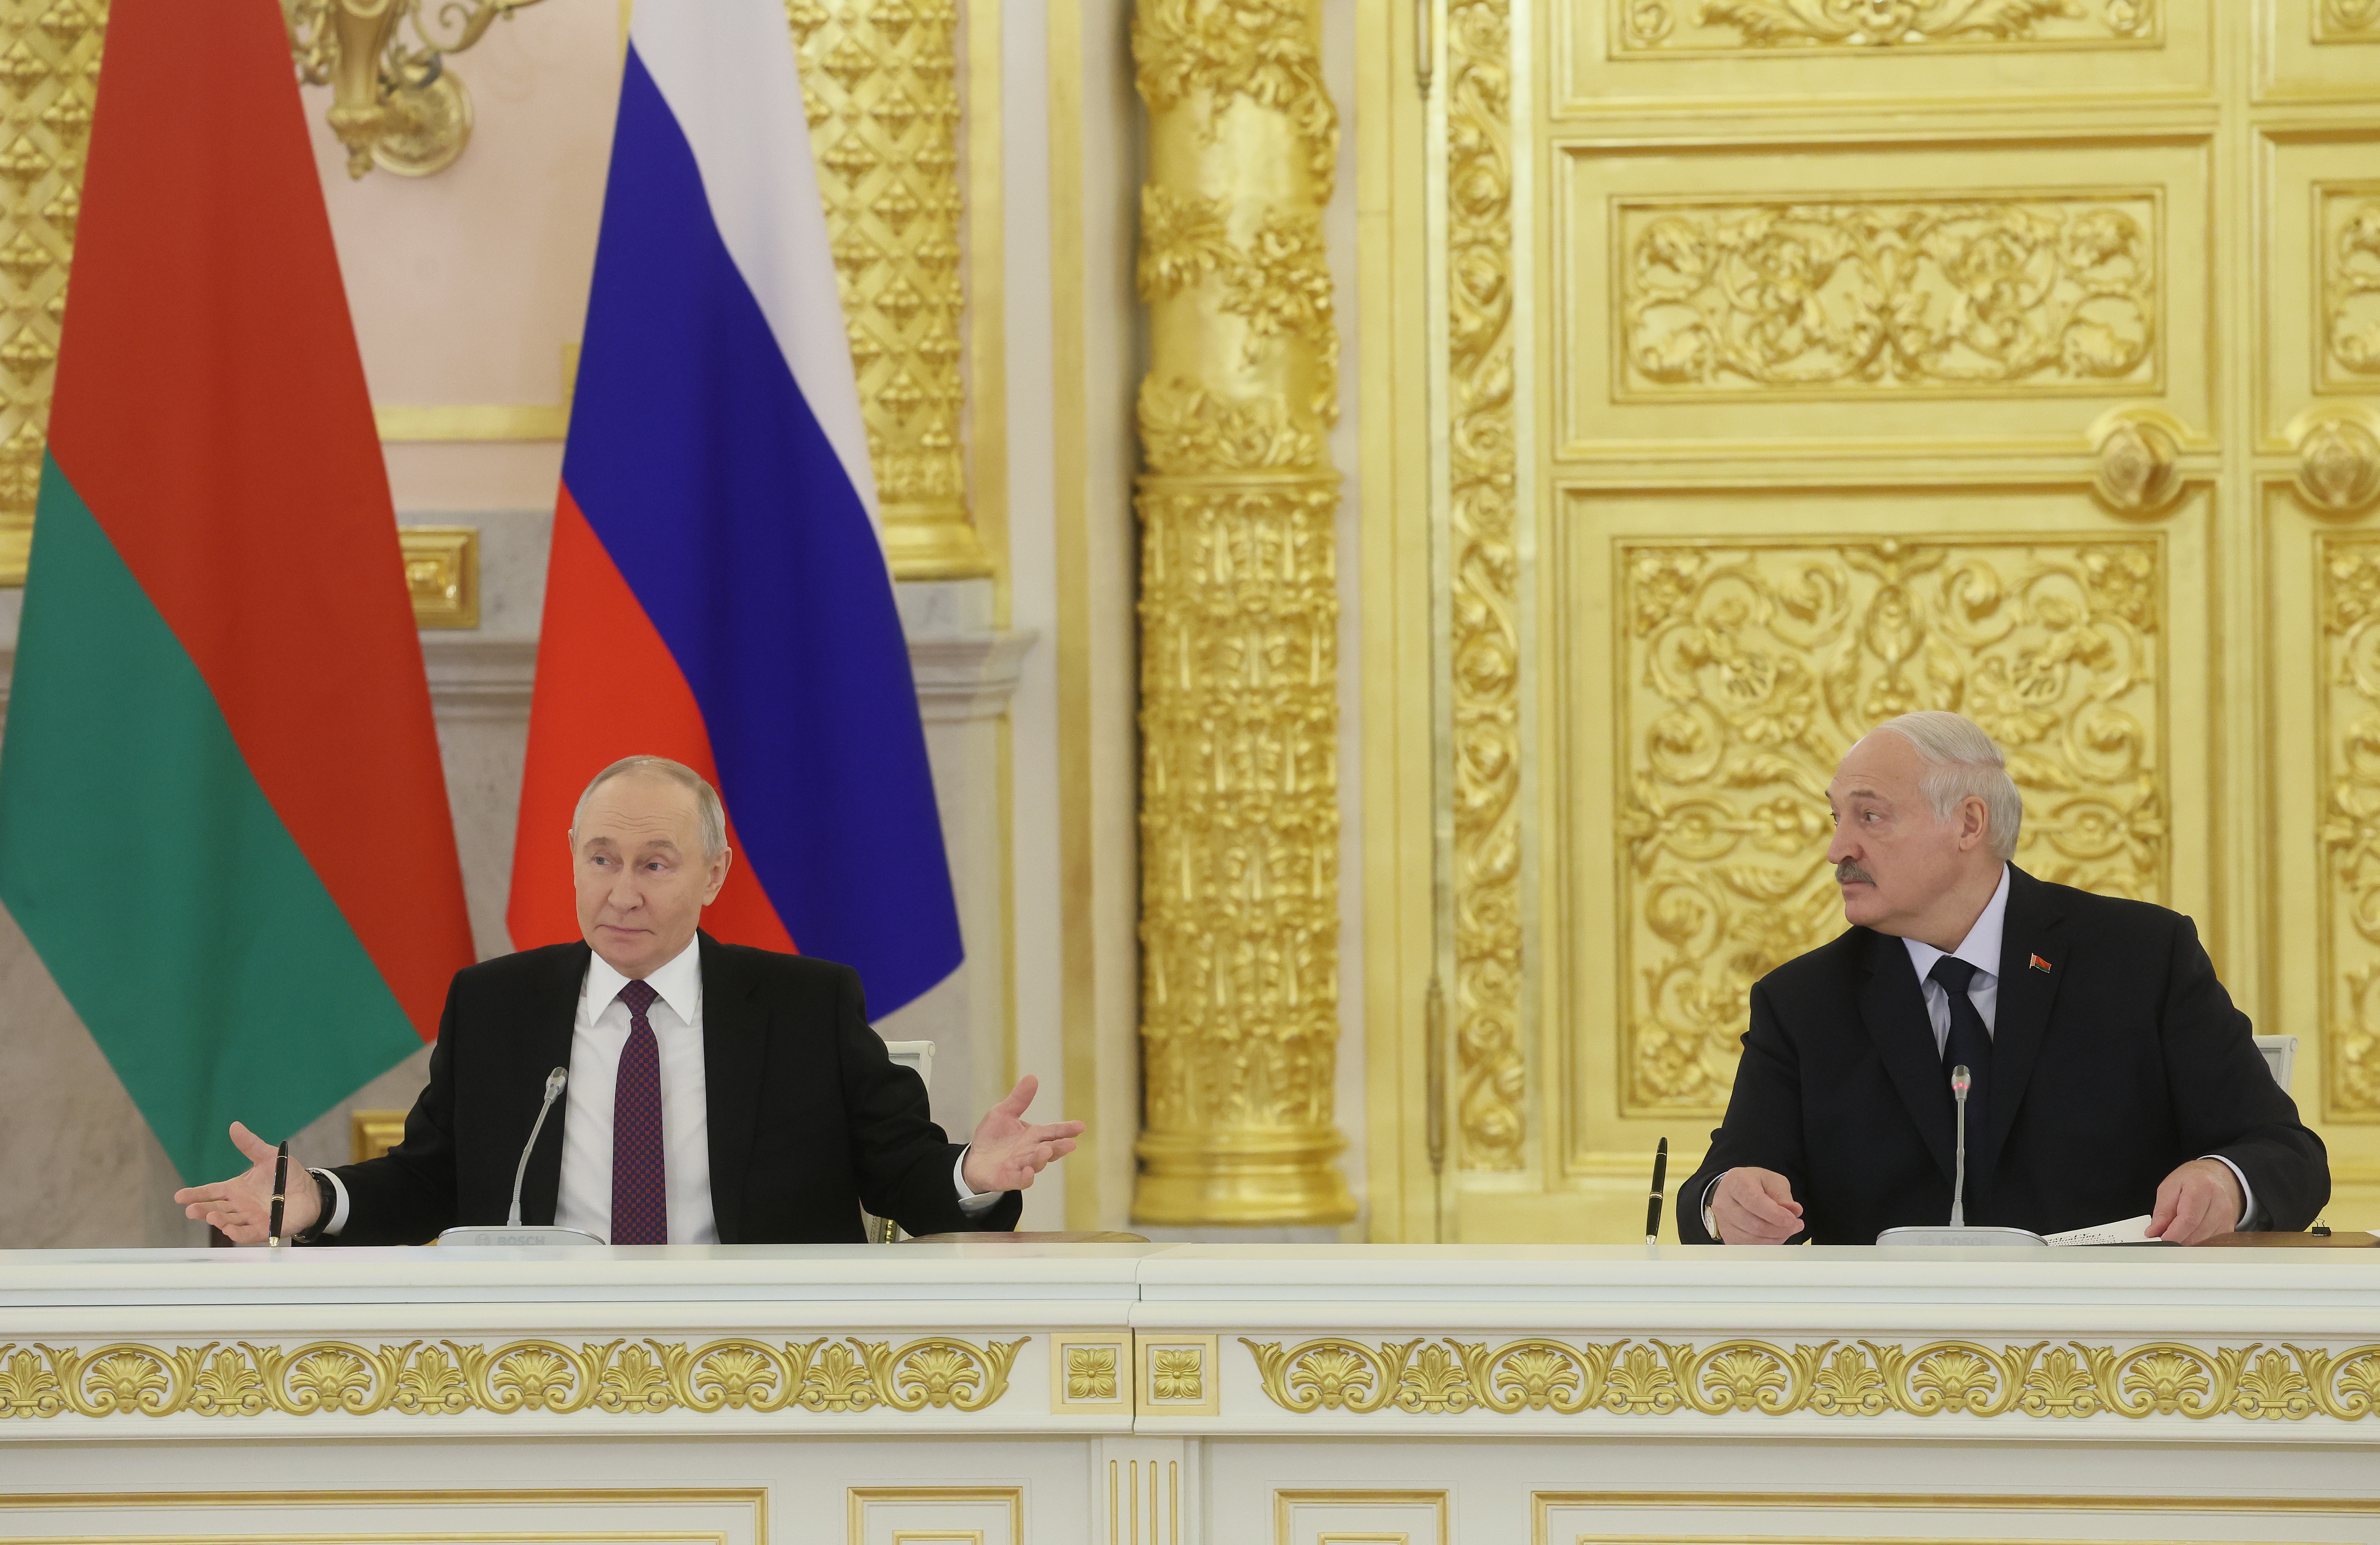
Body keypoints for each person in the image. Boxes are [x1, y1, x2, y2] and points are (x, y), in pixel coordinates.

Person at [177, 755, 1081, 1244]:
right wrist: (317, 1199)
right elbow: (432, 1182)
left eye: (655, 864)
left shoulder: (806, 1006)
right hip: (540, 1366)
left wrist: (973, 1174)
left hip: (766, 1365)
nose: (623, 892)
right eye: (600, 859)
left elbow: (905, 1178)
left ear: (714, 874)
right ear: (571, 858)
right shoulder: (496, 1005)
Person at [1676, 712, 2327, 1247]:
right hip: (1878, 1366)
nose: (1837, 849)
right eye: (1835, 818)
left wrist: (2223, 1181)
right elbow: (1714, 1189)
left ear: (1967, 824)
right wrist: (1726, 1203)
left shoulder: (2140, 957)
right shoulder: (1803, 1001)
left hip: (2118, 1353)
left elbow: (2285, 1154)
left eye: (1869, 817)